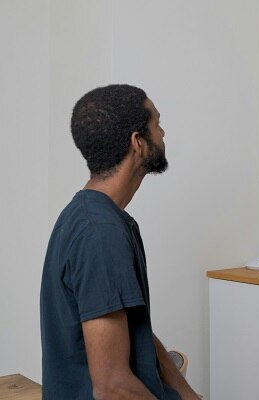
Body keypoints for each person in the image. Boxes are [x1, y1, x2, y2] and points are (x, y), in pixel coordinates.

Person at [40, 84, 201, 399]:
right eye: (156, 124)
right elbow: (113, 387)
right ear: (137, 142)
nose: (163, 133)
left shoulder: (95, 218)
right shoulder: (100, 233)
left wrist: (188, 395)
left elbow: (133, 326)